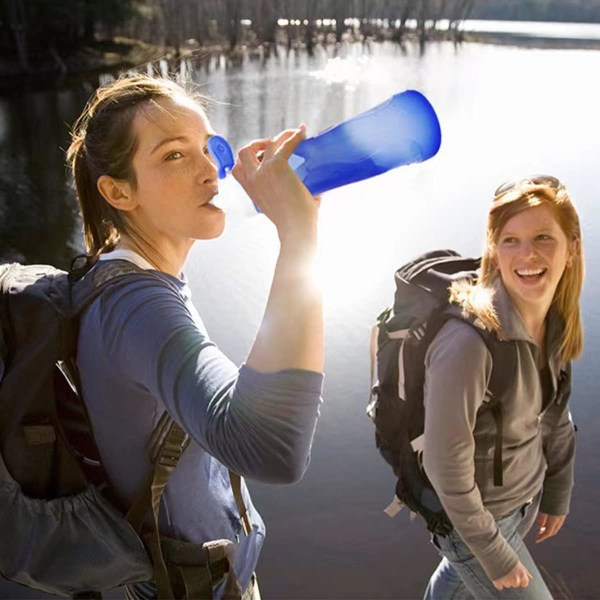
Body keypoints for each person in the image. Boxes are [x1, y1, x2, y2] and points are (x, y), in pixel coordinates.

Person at [66, 74, 323, 599]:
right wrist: (299, 238)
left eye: (208, 147)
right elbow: (272, 448)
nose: (210, 171)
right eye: (174, 156)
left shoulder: (129, 278)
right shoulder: (137, 307)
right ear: (119, 191)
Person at [422, 175, 583, 599]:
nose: (527, 254)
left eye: (543, 237)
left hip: (520, 502)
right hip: (477, 521)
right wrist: (493, 553)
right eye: (510, 240)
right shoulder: (467, 345)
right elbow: (444, 464)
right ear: (494, 249)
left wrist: (557, 490)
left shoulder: (553, 321)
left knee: (455, 586)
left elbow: (555, 415)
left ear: (572, 249)